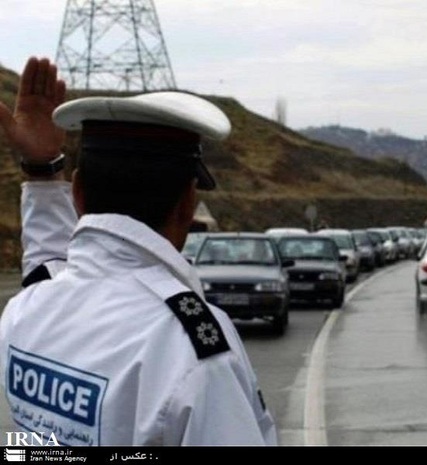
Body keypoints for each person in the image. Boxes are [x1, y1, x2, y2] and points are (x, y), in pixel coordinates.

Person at [0, 57, 277, 446]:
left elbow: (47, 264)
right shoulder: (192, 349)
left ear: (77, 194)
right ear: (186, 205)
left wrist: (42, 169)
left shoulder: (27, 312)